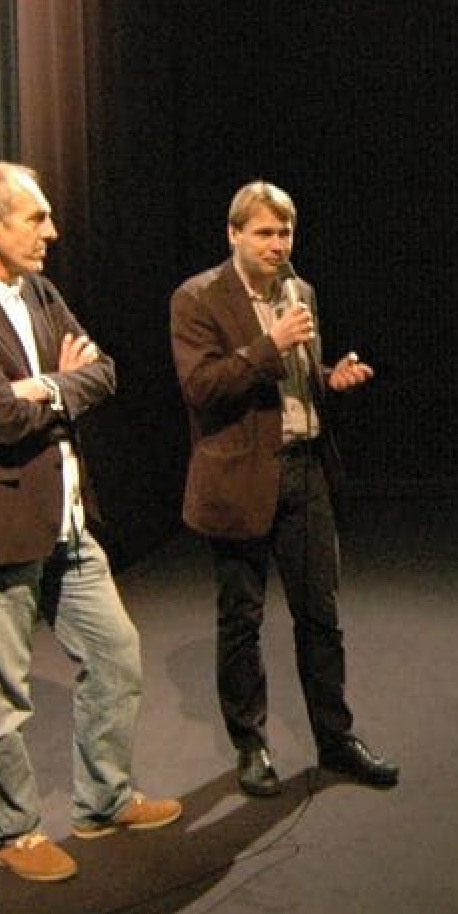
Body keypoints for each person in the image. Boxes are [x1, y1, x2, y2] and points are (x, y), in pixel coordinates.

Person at [0, 161, 181, 883]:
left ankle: (102, 800)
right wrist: (55, 388)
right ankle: (14, 831)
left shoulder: (41, 291)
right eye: (38, 218)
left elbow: (105, 371)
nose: (53, 232)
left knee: (117, 655)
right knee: (3, 694)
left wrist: (46, 385)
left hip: (66, 520)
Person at [169, 180, 398, 797]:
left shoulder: (301, 292)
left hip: (307, 472)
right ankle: (251, 745)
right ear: (234, 234)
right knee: (241, 620)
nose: (278, 244)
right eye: (265, 232)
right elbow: (203, 389)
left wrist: (330, 376)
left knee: (321, 616)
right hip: (240, 479)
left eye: (286, 232)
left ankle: (335, 739)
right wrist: (268, 346)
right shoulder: (196, 298)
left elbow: (296, 378)